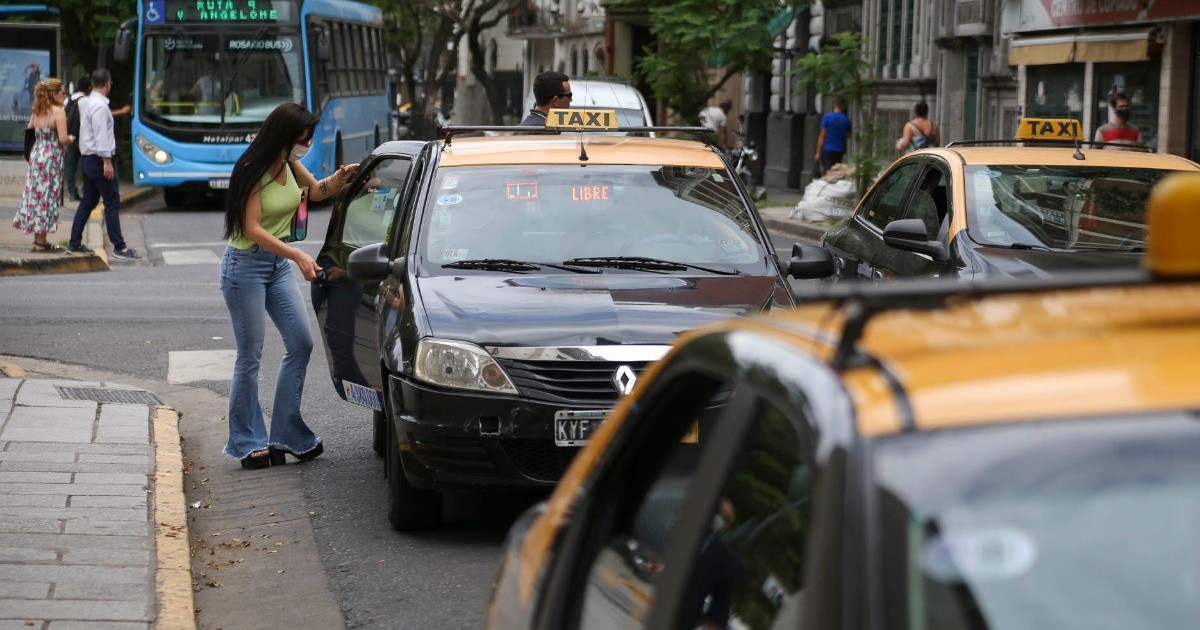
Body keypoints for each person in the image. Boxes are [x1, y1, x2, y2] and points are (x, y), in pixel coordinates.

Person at [220, 102, 359, 469]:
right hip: (244, 266)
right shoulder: (252, 170)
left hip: (276, 265)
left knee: (301, 341)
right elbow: (252, 229)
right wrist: (297, 256)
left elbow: (316, 192)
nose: (307, 145)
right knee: (249, 356)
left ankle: (286, 434)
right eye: (302, 139)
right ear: (283, 137)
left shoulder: (288, 163)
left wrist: (342, 178)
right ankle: (247, 443)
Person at [65, 69, 140, 261]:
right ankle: (119, 247)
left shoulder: (88, 102)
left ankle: (74, 243)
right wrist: (107, 161)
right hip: (99, 160)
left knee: (88, 201)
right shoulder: (99, 106)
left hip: (89, 159)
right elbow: (101, 136)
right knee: (112, 202)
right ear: (108, 83)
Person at [12, 78, 74, 253]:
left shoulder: (37, 110)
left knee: (35, 196)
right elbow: (62, 138)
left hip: (36, 155)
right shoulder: (58, 112)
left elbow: (29, 130)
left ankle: (38, 240)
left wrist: (30, 153)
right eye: (62, 92)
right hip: (51, 158)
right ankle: (41, 242)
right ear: (54, 94)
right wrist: (71, 139)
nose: (64, 95)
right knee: (47, 197)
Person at [63, 73, 91, 202]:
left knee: (71, 166)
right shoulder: (86, 100)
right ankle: (85, 190)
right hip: (83, 137)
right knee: (87, 165)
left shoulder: (68, 99)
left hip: (70, 136)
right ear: (89, 88)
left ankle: (72, 192)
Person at [814, 98, 852, 176]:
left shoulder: (827, 117)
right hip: (839, 150)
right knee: (836, 171)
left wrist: (818, 152)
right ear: (842, 106)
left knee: (828, 171)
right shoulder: (846, 119)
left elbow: (822, 136)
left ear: (834, 105)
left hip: (827, 149)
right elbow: (849, 135)